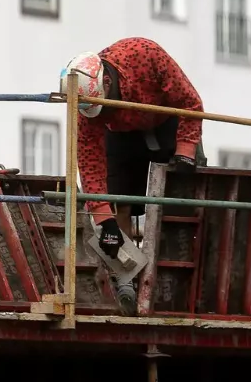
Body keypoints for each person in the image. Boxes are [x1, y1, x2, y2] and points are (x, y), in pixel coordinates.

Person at [59, 37, 207, 261]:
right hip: (120, 131)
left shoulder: (145, 54)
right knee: (119, 203)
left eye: (99, 108)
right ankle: (126, 272)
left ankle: (174, 263)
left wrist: (185, 150)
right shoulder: (85, 106)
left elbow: (190, 102)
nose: (95, 114)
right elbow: (90, 161)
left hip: (167, 119)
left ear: (106, 83)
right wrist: (104, 219)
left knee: (180, 198)